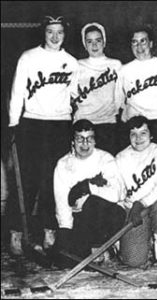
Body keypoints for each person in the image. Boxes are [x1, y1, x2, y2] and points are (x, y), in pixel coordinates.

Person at [7, 16, 79, 255]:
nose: (55, 37)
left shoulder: (71, 62)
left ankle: (50, 229)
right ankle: (17, 232)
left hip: (60, 125)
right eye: (50, 32)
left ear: (65, 34)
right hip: (32, 123)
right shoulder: (28, 57)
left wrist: (72, 124)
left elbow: (74, 97)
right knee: (26, 181)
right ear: (44, 33)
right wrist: (14, 124)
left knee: (53, 180)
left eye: (59, 32)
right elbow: (18, 92)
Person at [53, 119, 126, 265]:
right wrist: (65, 229)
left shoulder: (106, 159)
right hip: (81, 220)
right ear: (73, 141)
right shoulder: (63, 164)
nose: (85, 144)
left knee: (93, 203)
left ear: (95, 140)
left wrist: (89, 187)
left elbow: (116, 194)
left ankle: (104, 246)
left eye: (89, 138)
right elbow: (61, 201)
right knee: (64, 258)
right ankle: (87, 250)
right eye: (80, 139)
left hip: (110, 215)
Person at [115, 116, 157, 265]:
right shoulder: (120, 157)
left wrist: (141, 203)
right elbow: (118, 191)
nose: (138, 138)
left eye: (143, 133)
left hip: (154, 205)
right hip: (134, 211)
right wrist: (127, 209)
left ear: (151, 134)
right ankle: (138, 241)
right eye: (133, 134)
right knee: (134, 261)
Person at [115, 26, 157, 151]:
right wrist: (124, 120)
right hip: (134, 124)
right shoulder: (124, 70)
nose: (139, 47)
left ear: (150, 44)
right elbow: (118, 100)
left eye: (143, 41)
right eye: (135, 42)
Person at [72, 22, 122, 155]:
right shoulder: (76, 65)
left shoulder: (115, 65)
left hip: (108, 124)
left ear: (104, 42)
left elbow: (119, 96)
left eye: (98, 40)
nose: (94, 45)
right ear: (84, 44)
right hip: (83, 124)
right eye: (89, 41)